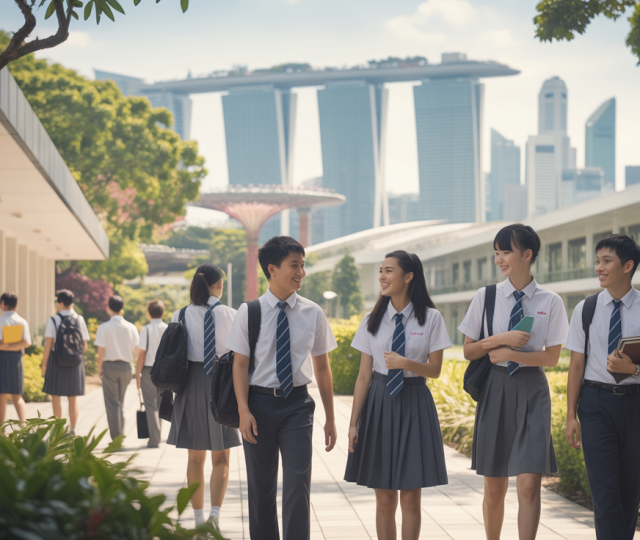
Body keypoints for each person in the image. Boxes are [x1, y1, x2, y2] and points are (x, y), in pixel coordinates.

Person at [458, 224, 569, 540]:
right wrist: (500, 340)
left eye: (505, 251)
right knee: (494, 487)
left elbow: (551, 358)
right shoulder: (486, 296)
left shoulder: (551, 301)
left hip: (533, 390)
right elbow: (468, 350)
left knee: (529, 482)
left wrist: (511, 353)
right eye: (496, 252)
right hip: (495, 389)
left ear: (527, 254)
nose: (499, 259)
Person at [228, 236, 338, 540]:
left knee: (298, 484)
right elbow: (239, 365)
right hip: (258, 405)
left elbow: (323, 367)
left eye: (303, 265)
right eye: (294, 265)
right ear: (272, 269)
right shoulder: (249, 312)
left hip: (297, 405)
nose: (301, 271)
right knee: (260, 488)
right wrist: (243, 410)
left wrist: (330, 417)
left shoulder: (312, 312)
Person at [345, 250, 450, 540]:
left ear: (408, 276)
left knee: (410, 498)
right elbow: (364, 376)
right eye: (381, 270)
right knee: (385, 499)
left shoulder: (431, 318)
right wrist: (354, 423)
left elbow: (435, 370)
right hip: (379, 403)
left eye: (389, 271)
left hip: (415, 402)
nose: (382, 276)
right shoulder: (372, 319)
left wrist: (406, 363)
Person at [564, 233, 640, 540]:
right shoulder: (586, 309)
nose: (599, 267)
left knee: (629, 491)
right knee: (605, 493)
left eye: (606, 261)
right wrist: (571, 416)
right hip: (595, 404)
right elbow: (576, 366)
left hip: (636, 405)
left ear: (628, 266)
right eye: (598, 261)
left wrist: (633, 369)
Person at [167, 264, 241, 536]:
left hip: (189, 384)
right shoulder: (231, 314)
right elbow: (241, 356)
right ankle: (214, 516)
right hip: (222, 384)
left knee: (194, 458)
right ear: (219, 284)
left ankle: (198, 521)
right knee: (221, 458)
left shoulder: (180, 313)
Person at [42, 289, 90, 435]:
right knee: (72, 398)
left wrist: (44, 364)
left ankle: (58, 429)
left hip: (57, 361)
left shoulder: (53, 319)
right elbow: (85, 345)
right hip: (76, 363)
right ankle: (72, 429)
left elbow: (48, 344)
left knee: (56, 396)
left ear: (61, 302)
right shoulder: (79, 319)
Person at [94, 295, 139, 441]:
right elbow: (136, 351)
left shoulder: (104, 327)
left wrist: (99, 369)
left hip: (109, 366)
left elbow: (100, 352)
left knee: (112, 404)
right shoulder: (131, 327)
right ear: (122, 308)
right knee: (120, 401)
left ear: (108, 308)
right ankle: (121, 432)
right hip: (126, 367)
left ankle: (117, 437)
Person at [136, 300, 168, 449]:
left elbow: (141, 354)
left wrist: (138, 375)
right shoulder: (168, 328)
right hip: (164, 371)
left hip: (149, 369)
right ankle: (158, 435)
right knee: (160, 404)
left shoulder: (146, 329)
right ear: (163, 312)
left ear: (149, 312)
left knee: (150, 404)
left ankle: (154, 440)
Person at [0, 292, 31, 423]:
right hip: (16, 358)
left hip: (1, 358)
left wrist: (6, 346)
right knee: (17, 395)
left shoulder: (1, 321)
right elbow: (27, 342)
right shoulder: (22, 321)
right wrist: (14, 346)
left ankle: (1, 429)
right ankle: (23, 425)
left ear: (3, 304)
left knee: (1, 394)